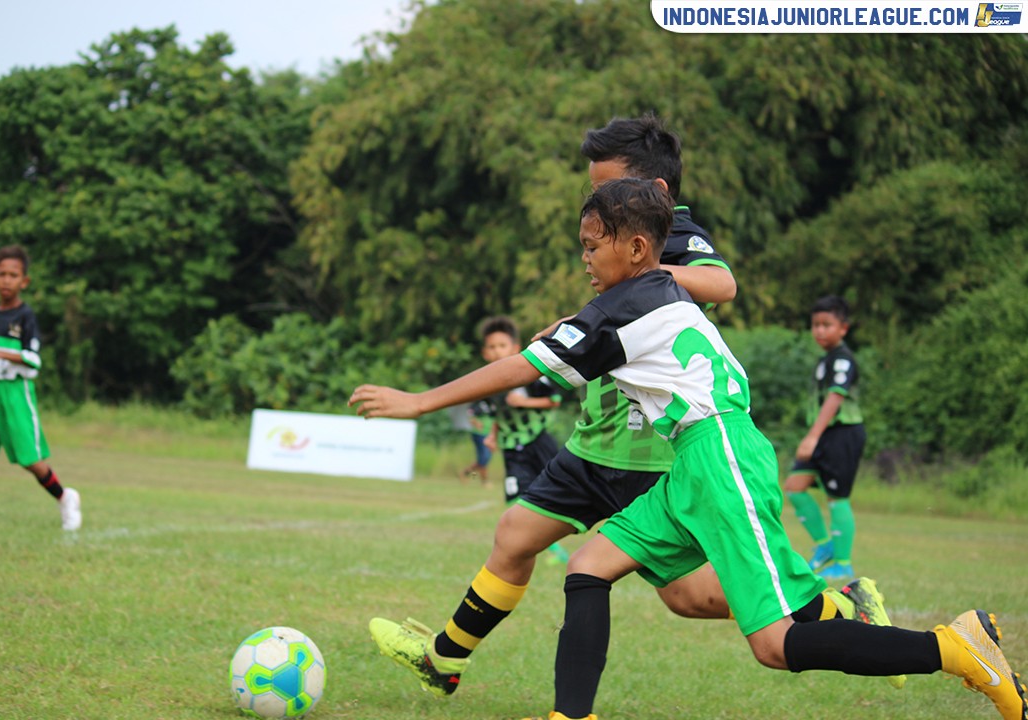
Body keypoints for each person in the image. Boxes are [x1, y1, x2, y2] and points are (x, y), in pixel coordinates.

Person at [358, 116, 902, 699]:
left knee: (687, 597)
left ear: (654, 195)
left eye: (605, 187)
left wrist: (640, 282)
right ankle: (444, 659)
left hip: (648, 454)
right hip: (595, 444)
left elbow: (722, 284)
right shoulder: (617, 236)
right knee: (515, 534)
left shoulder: (669, 234)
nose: (595, 200)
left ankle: (840, 608)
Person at [0, 245, 82, 532]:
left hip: (16, 393)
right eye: (1, 274)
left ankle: (65, 497)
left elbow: (34, 360)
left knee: (30, 460)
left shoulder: (26, 316)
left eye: (13, 275)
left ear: (24, 281)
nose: (6, 280)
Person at [785, 295, 866, 582]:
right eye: (815, 325)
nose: (819, 330)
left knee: (837, 497)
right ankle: (826, 546)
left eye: (826, 325)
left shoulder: (842, 359)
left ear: (843, 328)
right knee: (794, 487)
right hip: (824, 435)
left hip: (842, 433)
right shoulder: (825, 360)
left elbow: (835, 397)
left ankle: (843, 563)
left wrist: (812, 437)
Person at [476, 316, 569, 564]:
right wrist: (492, 436)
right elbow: (498, 415)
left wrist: (524, 402)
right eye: (492, 347)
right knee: (517, 500)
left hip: (538, 441)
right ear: (485, 353)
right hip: (511, 447)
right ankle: (551, 550)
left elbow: (554, 401)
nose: (497, 352)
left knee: (555, 494)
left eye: (502, 346)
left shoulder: (529, 376)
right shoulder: (488, 384)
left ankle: (555, 542)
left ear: (515, 348)